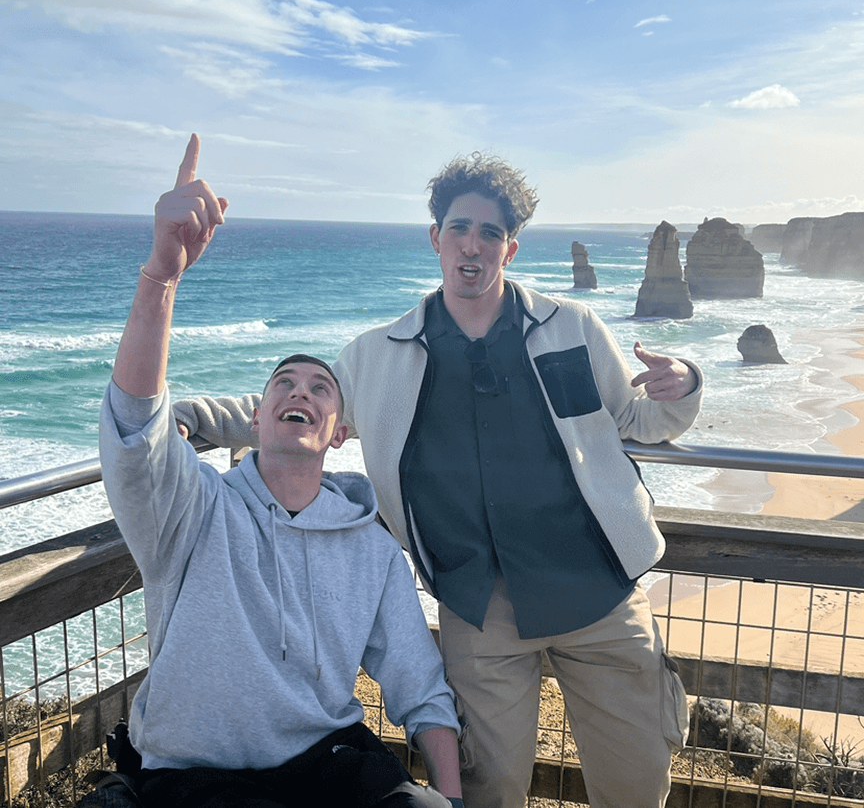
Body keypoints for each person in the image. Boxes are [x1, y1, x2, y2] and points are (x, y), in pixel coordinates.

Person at [174, 150, 703, 808]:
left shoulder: (572, 327)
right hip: (480, 615)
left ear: (511, 247)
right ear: (435, 239)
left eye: (489, 233)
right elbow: (300, 411)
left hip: (601, 598)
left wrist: (682, 383)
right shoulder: (376, 357)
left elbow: (639, 418)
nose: (472, 246)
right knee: (488, 790)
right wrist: (189, 420)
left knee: (637, 783)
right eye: (459, 228)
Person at [99, 135, 463, 808]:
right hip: (191, 778)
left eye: (320, 388)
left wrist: (452, 799)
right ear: (257, 421)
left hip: (327, 766)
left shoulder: (372, 549)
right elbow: (134, 428)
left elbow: (422, 689)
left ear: (339, 434)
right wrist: (162, 275)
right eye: (283, 385)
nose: (301, 392)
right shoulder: (193, 511)